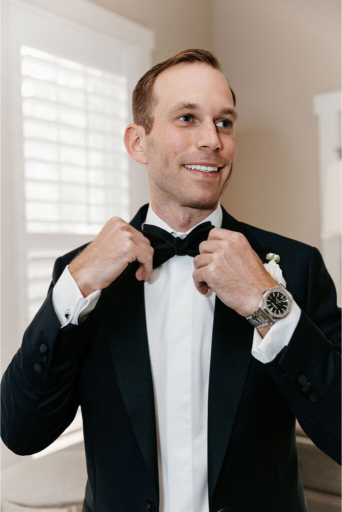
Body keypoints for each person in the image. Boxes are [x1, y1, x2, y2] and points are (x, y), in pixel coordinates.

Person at [1, 49, 340, 512]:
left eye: (224, 122)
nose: (212, 140)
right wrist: (73, 287)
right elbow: (21, 432)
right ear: (138, 143)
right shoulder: (81, 277)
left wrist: (268, 304)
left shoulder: (295, 267)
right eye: (187, 118)